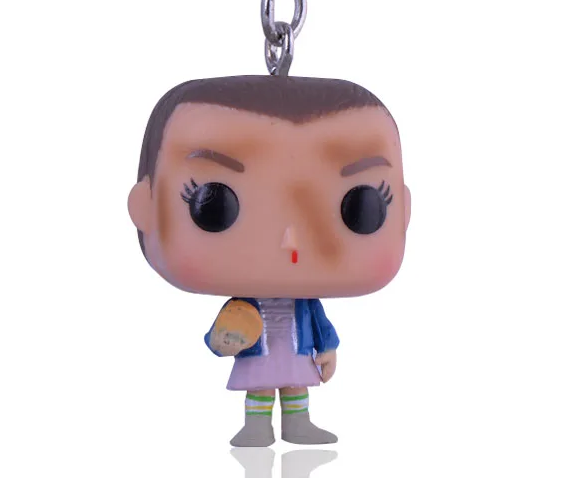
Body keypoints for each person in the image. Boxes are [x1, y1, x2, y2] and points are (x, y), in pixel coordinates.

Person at [128, 75, 411, 447]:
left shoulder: (306, 304)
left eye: (362, 203)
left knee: (296, 387)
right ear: (145, 207)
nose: (290, 239)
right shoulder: (242, 304)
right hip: (258, 351)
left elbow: (321, 326)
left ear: (405, 211)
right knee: (260, 389)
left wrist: (328, 349)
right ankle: (256, 427)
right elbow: (222, 333)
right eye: (214, 203)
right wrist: (222, 341)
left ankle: (298, 424)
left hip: (295, 351)